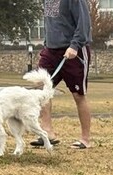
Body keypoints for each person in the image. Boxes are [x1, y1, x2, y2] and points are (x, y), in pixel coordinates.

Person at [36, 0, 92, 149]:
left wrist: (74, 45)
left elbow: (84, 23)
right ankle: (48, 133)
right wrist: (47, 43)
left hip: (74, 51)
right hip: (51, 51)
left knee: (78, 95)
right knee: (43, 90)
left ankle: (85, 139)